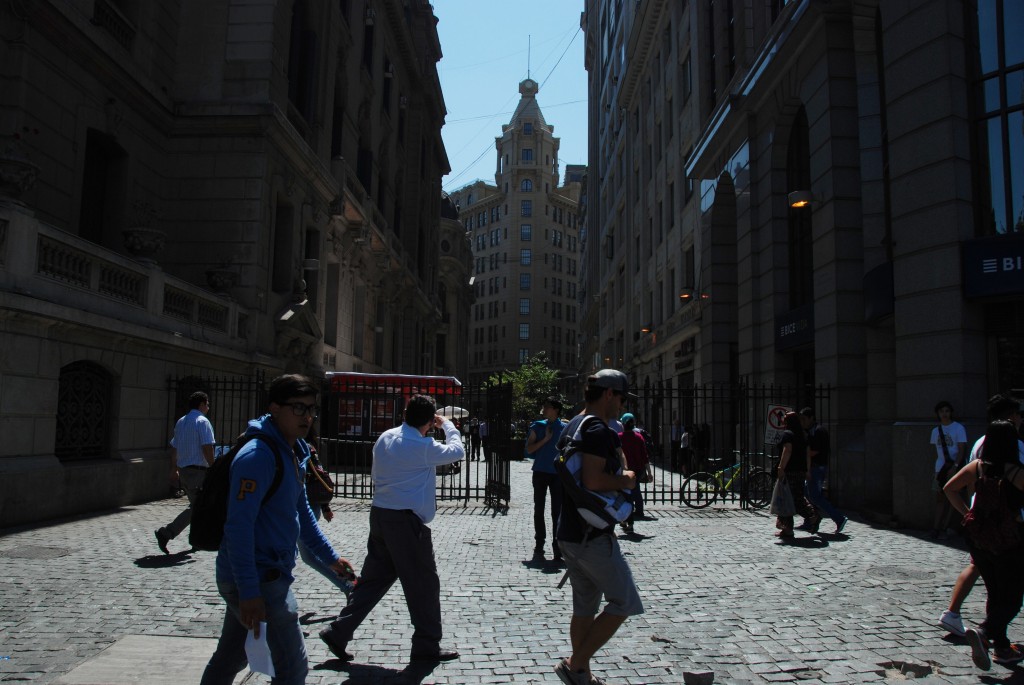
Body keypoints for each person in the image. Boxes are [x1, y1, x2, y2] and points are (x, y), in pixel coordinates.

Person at [200, 374, 354, 685]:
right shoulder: (258, 456)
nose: (307, 417)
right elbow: (238, 528)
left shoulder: (294, 450)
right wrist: (249, 591)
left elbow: (301, 516)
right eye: (298, 408)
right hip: (259, 578)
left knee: (231, 656)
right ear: (274, 408)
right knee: (292, 669)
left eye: (311, 409)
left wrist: (331, 558)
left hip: (262, 576)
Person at [319, 394, 465, 663]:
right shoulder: (422, 446)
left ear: (405, 414)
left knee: (372, 581)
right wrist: (448, 425)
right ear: (430, 421)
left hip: (381, 514)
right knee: (423, 585)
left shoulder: (386, 437)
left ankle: (339, 630)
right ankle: (426, 644)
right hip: (406, 524)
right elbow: (458, 451)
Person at [553, 369, 643, 685]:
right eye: (620, 398)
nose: (620, 404)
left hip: (570, 532)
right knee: (625, 601)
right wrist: (626, 479)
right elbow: (593, 479)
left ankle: (581, 675)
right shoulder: (596, 429)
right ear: (608, 394)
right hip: (592, 537)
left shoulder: (572, 425)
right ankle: (575, 664)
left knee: (584, 608)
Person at [939, 394, 1024, 636]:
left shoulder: (978, 459)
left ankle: (999, 643)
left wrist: (968, 515)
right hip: (1009, 534)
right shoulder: (1015, 468)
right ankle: (987, 633)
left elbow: (950, 488)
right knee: (1011, 596)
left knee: (994, 589)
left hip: (981, 531)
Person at [155, 391, 215, 554]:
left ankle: (196, 539)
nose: (208, 407)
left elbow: (174, 447)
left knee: (197, 505)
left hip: (184, 470)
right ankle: (167, 533)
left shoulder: (181, 422)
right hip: (198, 472)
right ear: (202, 404)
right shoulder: (203, 422)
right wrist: (214, 466)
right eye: (207, 404)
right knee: (198, 507)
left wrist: (174, 468)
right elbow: (207, 447)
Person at [297, 432, 354, 602]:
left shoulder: (303, 449)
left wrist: (325, 506)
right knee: (306, 555)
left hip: (307, 505)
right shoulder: (303, 447)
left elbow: (318, 478)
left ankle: (348, 585)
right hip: (306, 505)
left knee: (309, 554)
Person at [526, 396, 566, 561]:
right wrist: (546, 440)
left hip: (557, 474)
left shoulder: (565, 428)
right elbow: (529, 449)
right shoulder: (538, 426)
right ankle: (539, 543)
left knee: (557, 511)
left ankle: (557, 546)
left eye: (547, 406)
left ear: (556, 409)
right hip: (541, 471)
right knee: (539, 509)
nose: (544, 408)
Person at [799, 407, 847, 534]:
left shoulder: (819, 431)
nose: (802, 422)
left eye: (804, 419)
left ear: (811, 418)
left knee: (815, 496)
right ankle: (811, 519)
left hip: (817, 467)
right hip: (813, 467)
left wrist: (804, 454)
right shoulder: (810, 431)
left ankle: (839, 518)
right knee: (807, 493)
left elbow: (815, 451)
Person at [775, 411, 819, 539]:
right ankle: (787, 529)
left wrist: (781, 467)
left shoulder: (788, 434)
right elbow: (807, 454)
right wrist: (807, 470)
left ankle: (812, 516)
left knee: (791, 499)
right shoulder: (803, 435)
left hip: (790, 471)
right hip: (800, 470)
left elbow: (787, 450)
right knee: (791, 498)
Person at [930, 400, 968, 539]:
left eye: (946, 411)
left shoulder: (958, 428)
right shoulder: (935, 431)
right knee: (940, 498)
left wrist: (956, 466)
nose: (944, 414)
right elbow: (936, 450)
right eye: (941, 412)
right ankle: (936, 527)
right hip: (940, 469)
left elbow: (962, 449)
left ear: (950, 412)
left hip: (953, 467)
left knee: (954, 498)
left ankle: (948, 526)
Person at [618, 413, 651, 533]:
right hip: (637, 470)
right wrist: (649, 472)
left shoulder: (619, 437)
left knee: (625, 495)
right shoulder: (639, 437)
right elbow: (645, 456)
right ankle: (637, 512)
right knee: (634, 491)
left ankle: (626, 519)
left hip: (624, 470)